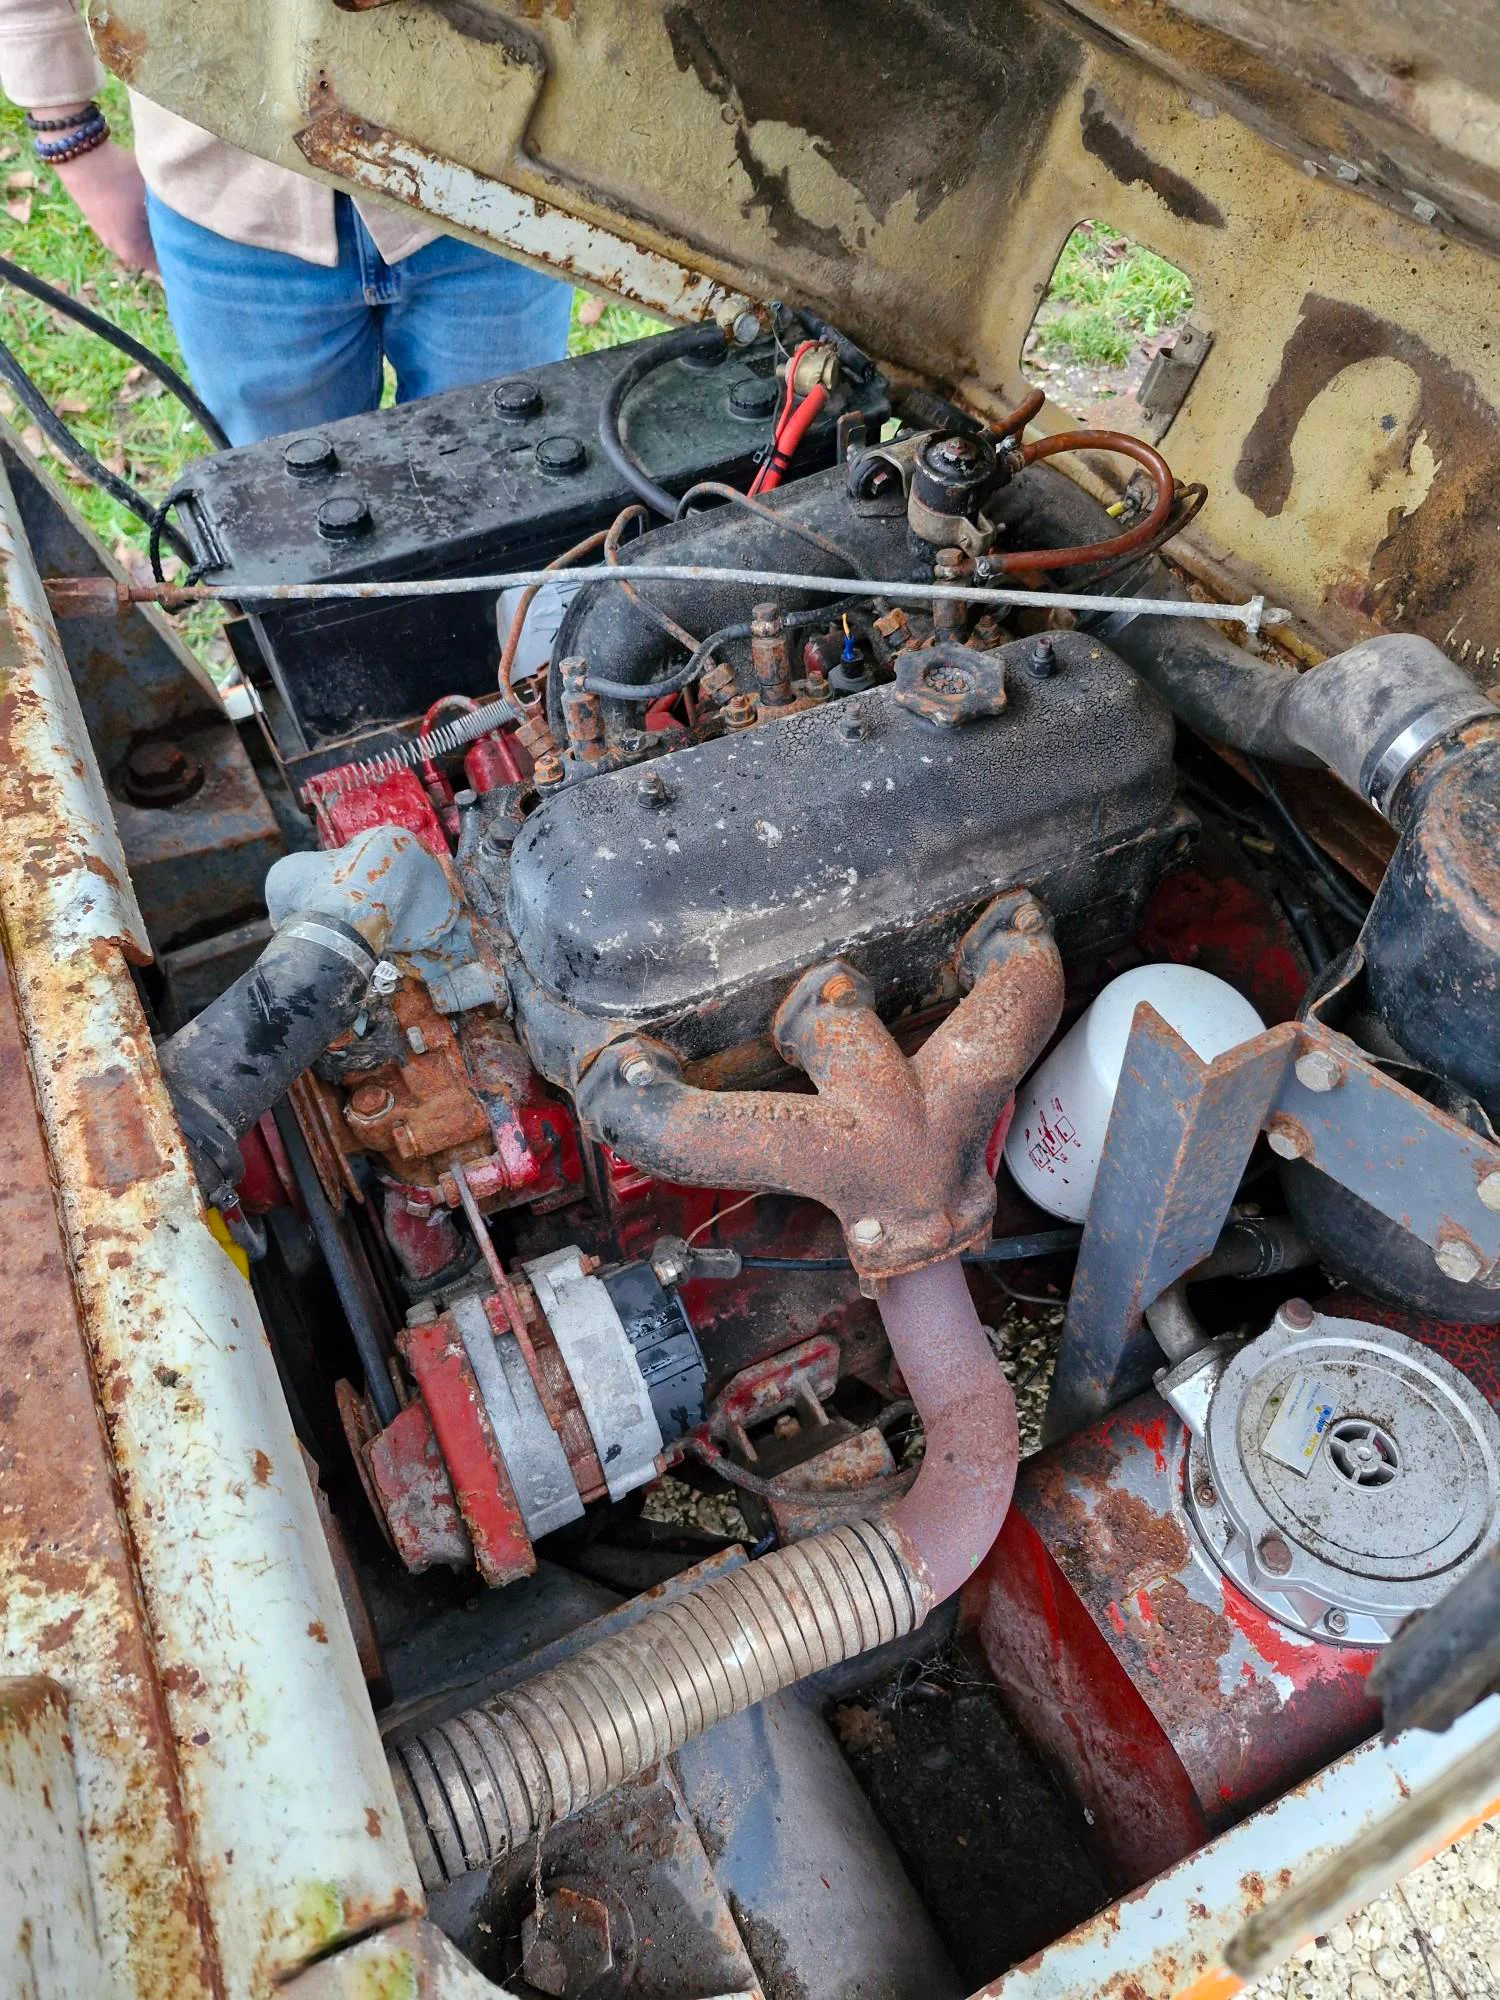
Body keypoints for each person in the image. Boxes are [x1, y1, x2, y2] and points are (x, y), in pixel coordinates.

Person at [0, 1, 573, 444]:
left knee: (504, 486)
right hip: (225, 180)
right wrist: (66, 130)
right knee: (289, 521)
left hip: (489, 165)